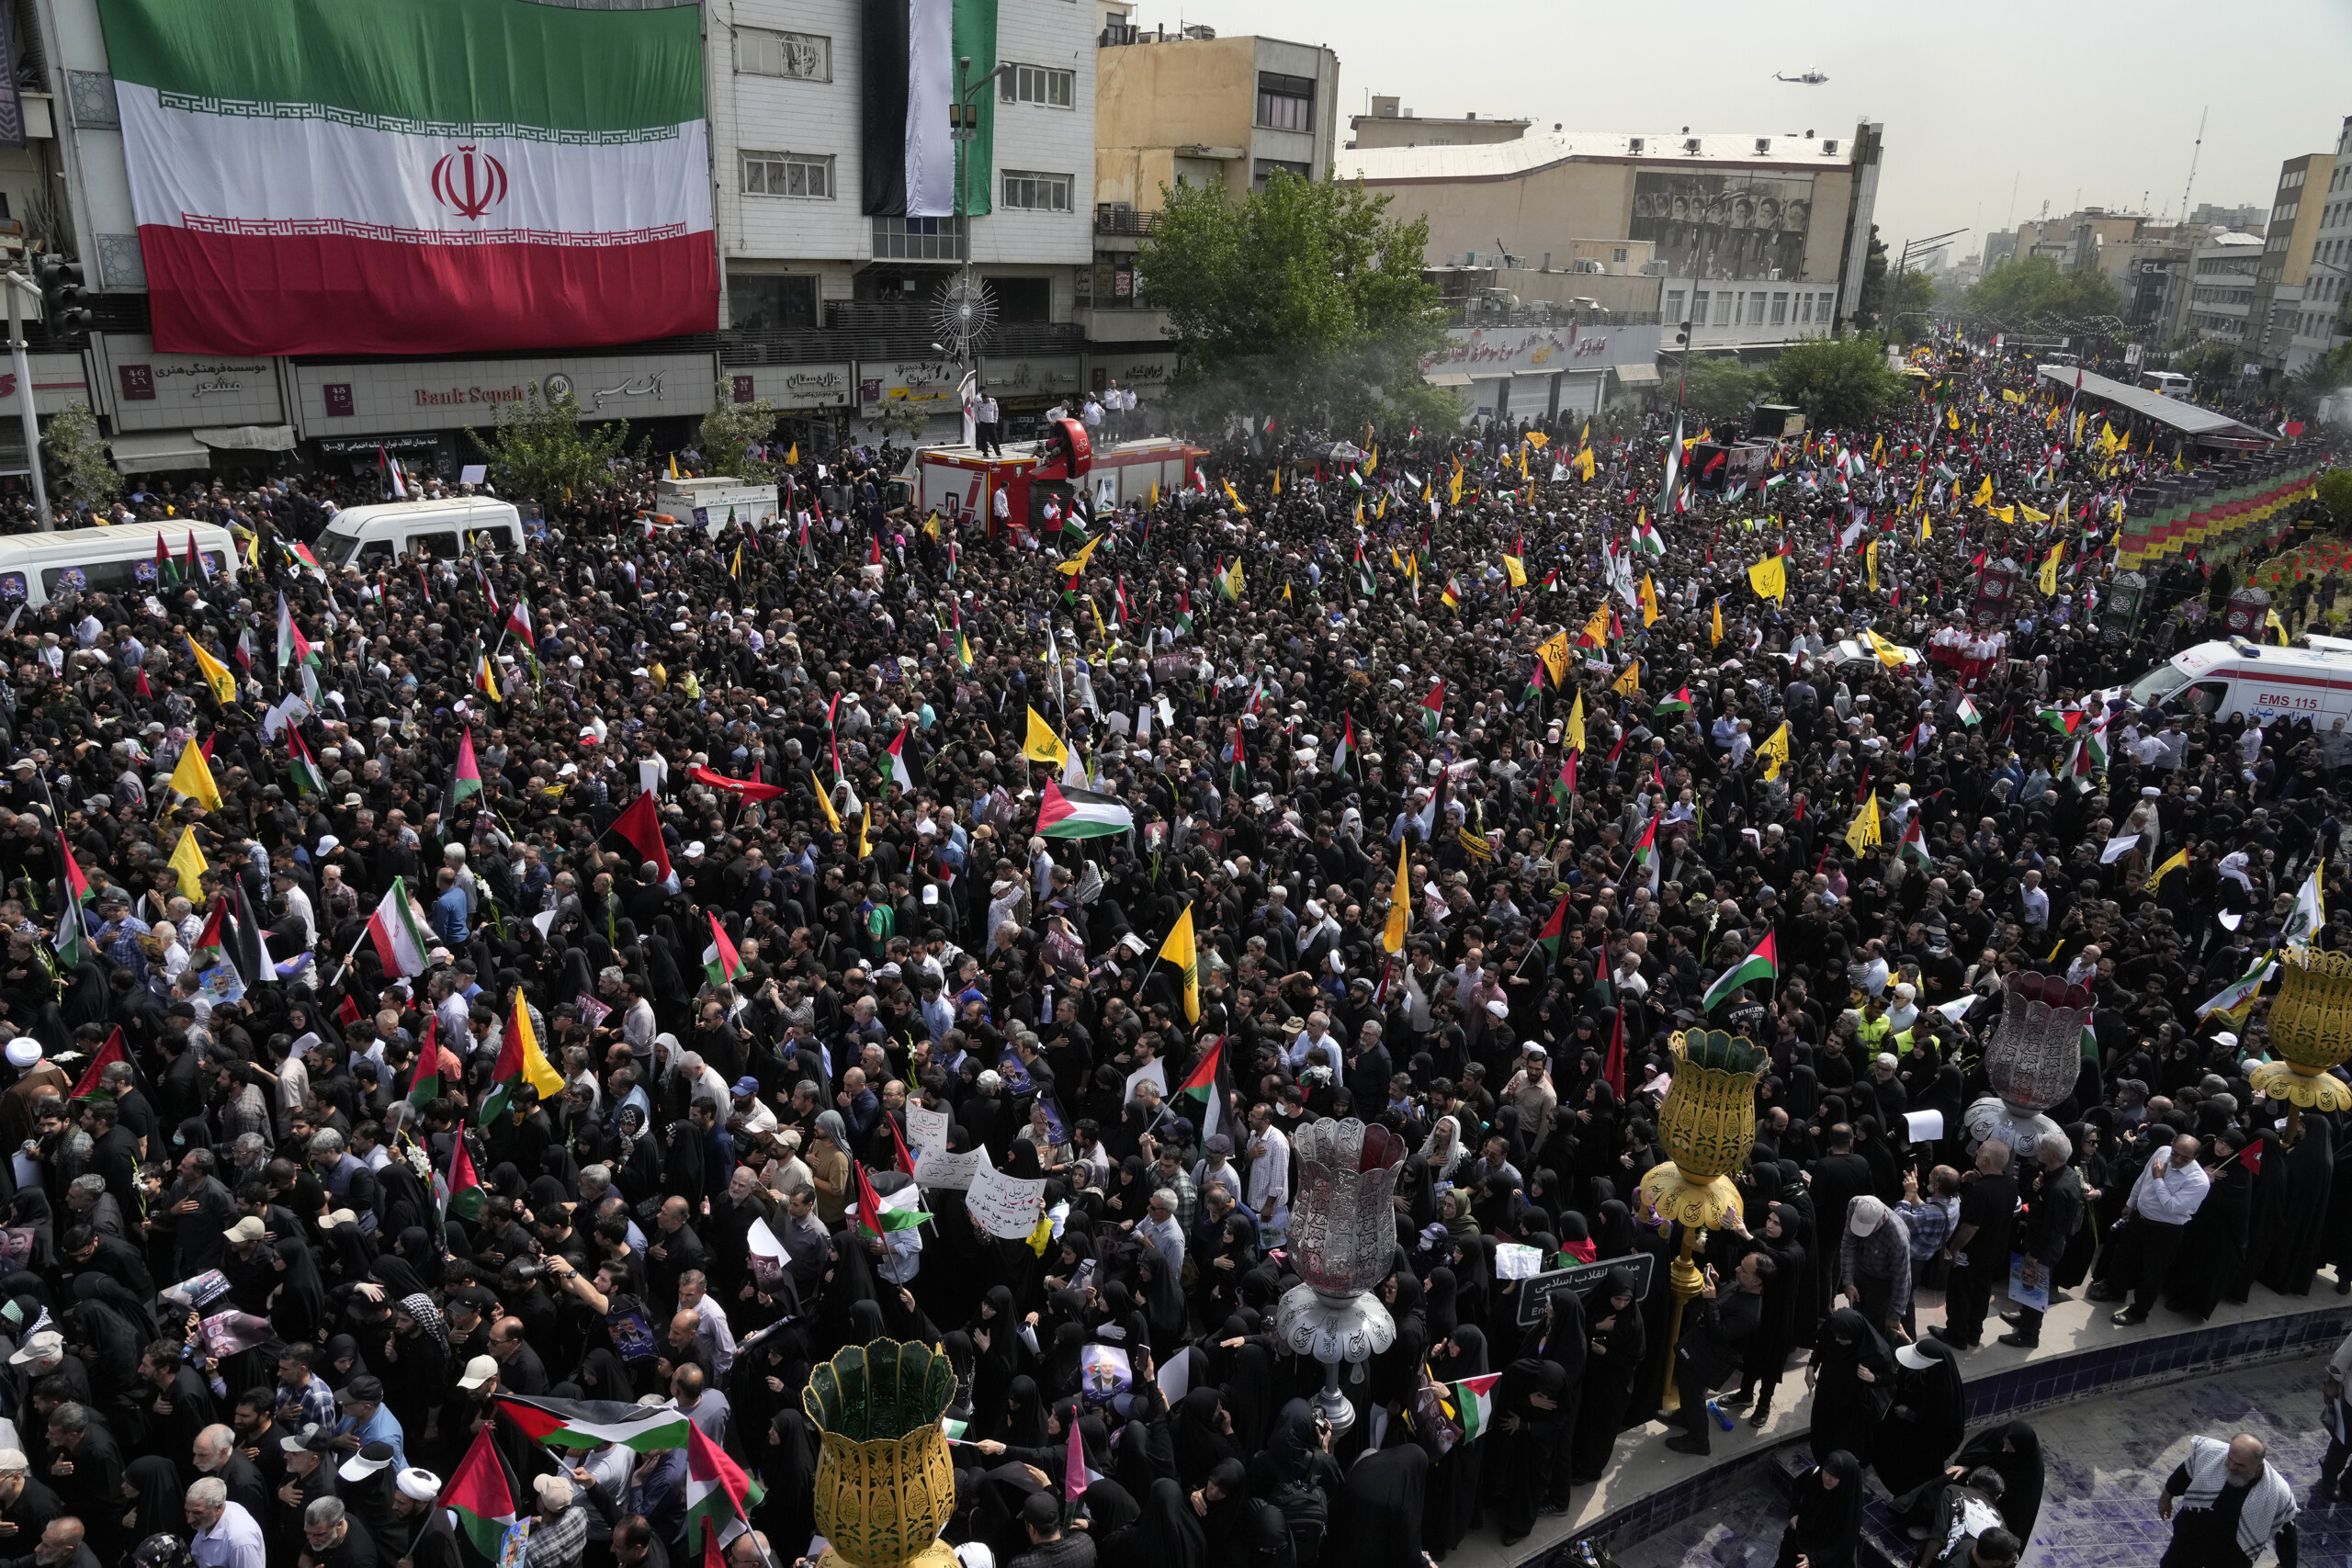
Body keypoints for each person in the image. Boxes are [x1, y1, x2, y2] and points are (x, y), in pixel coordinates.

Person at [1663, 1251, 1768, 1456]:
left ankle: (1699, 1440)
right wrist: (1718, 1283)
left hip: (1709, 1358)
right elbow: (1725, 1300)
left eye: (1743, 1270)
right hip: (1698, 1347)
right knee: (1687, 1388)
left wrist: (1710, 1300)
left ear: (1757, 1281)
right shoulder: (1741, 1286)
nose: (1737, 1269)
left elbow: (1719, 1334)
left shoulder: (1750, 1313)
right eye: (1740, 1265)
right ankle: (1685, 1416)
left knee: (1694, 1394)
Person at [2157, 1434, 2297, 1568]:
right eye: (2230, 1459)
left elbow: (2286, 1531)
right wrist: (2166, 1498)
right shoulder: (2211, 1453)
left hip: (2232, 1553)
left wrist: (2287, 1565)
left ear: (2258, 1467)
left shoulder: (2278, 1492)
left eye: (2240, 1465)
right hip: (2191, 1536)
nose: (2231, 1466)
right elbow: (2185, 1473)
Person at [1998, 1134, 2085, 1349]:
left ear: (2054, 1155)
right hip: (2041, 1241)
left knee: (2035, 1285)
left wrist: (2034, 1255)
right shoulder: (2058, 1175)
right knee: (2028, 1285)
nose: (2039, 1149)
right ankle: (2025, 1317)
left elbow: (2050, 1228)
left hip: (2044, 1247)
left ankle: (2028, 1335)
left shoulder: (2057, 1189)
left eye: (2043, 1148)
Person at [1774, 1448, 1861, 1568]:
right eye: (1826, 1471)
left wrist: (1814, 1560)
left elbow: (1842, 1547)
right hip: (1796, 1542)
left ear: (1845, 1479)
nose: (1827, 1478)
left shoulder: (1848, 1508)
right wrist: (1794, 1513)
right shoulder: (1814, 1475)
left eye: (1835, 1476)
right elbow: (1797, 1487)